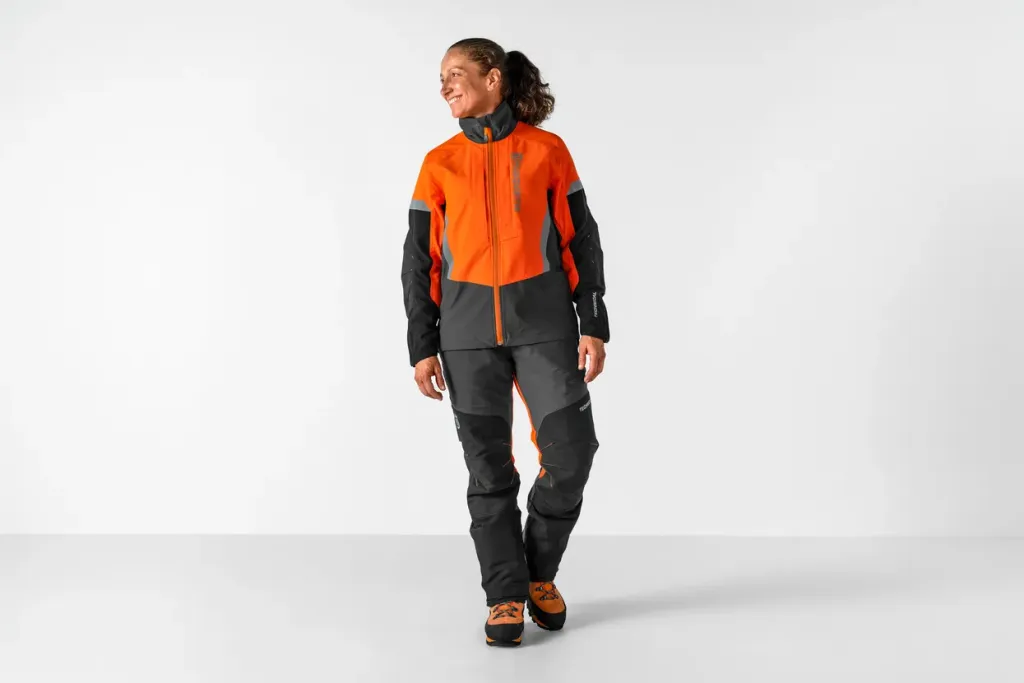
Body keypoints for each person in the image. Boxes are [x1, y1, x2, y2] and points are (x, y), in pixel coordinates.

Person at [401, 37, 609, 647]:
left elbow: (581, 239)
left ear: (492, 78)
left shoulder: (547, 151)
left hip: (545, 327)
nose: (444, 85)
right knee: (488, 473)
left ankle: (536, 573)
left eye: (455, 73)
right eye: (441, 77)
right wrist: (422, 344)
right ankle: (504, 596)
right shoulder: (438, 163)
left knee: (572, 452)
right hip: (465, 339)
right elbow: (418, 262)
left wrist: (593, 321)